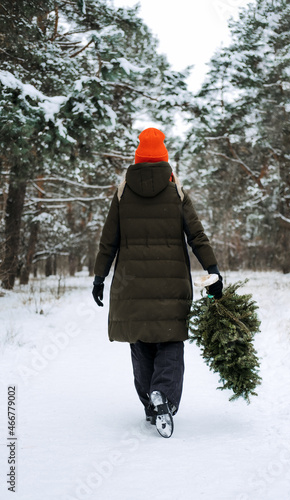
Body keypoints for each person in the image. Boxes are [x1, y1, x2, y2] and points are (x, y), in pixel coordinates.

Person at [92, 127, 222, 438]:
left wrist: (100, 277)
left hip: (131, 285)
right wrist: (213, 270)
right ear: (164, 159)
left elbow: (107, 241)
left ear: (137, 159)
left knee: (141, 342)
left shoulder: (123, 194)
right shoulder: (176, 192)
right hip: (171, 284)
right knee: (170, 340)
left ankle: (152, 407)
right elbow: (197, 236)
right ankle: (163, 394)